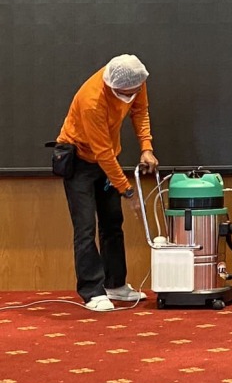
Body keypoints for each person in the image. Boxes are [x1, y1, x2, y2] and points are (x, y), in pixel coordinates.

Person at [56, 55, 159, 311]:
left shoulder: (135, 78)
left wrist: (146, 147)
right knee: (85, 228)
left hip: (108, 157)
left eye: (136, 91)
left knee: (113, 222)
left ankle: (115, 284)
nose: (133, 95)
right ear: (114, 88)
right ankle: (92, 292)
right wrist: (128, 192)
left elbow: (140, 111)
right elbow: (101, 153)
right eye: (128, 93)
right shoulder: (92, 100)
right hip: (79, 160)